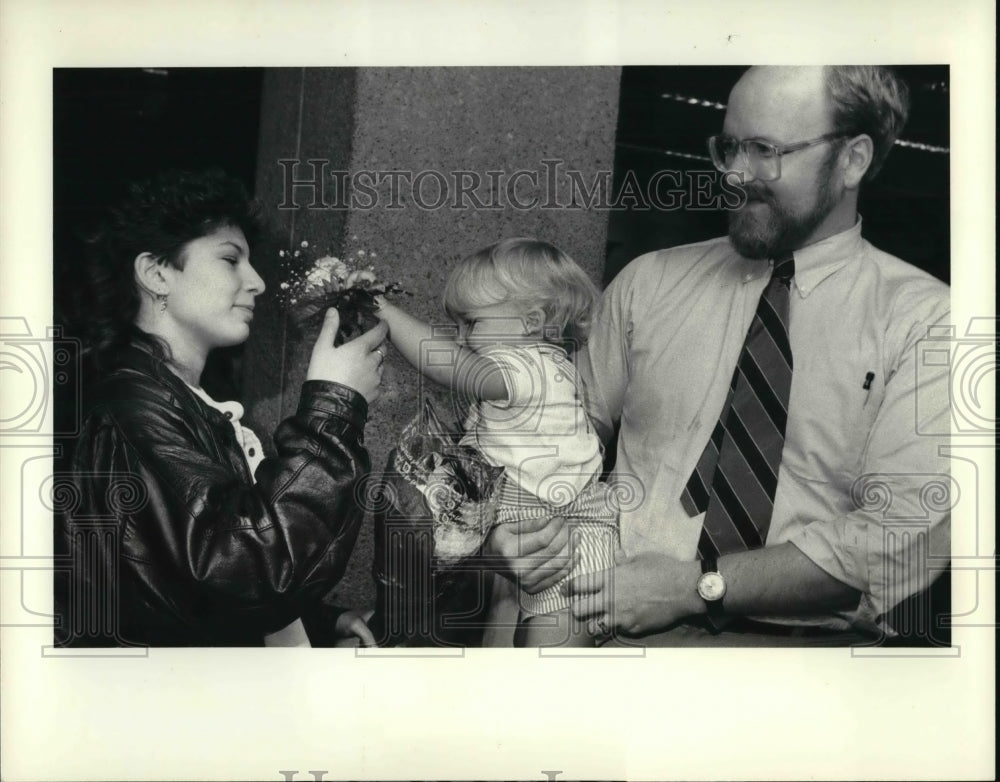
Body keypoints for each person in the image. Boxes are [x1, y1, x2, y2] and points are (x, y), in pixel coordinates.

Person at [485, 66, 951, 646]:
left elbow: (895, 538)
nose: (733, 173)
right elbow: (552, 435)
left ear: (853, 159)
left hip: (796, 665)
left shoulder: (929, 322)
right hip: (605, 627)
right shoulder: (648, 284)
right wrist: (514, 523)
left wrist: (692, 586)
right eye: (729, 146)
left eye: (765, 149)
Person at [54, 168, 389, 647]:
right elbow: (244, 569)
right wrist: (334, 406)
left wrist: (317, 622)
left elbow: (182, 588)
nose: (257, 283)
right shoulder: (134, 412)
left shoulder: (175, 400)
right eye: (231, 259)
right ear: (155, 273)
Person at [375, 238, 619, 647]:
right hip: (550, 534)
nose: (463, 339)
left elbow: (448, 364)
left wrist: (383, 311)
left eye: (472, 324)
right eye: (457, 327)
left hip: (568, 542)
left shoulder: (527, 365)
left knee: (549, 668)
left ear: (530, 321)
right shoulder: (544, 367)